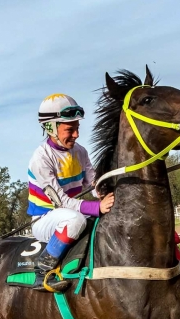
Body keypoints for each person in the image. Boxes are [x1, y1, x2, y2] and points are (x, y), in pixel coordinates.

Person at [28, 93, 115, 292]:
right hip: (46, 219)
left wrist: (106, 192)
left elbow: (94, 184)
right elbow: (60, 203)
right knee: (75, 220)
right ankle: (42, 272)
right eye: (70, 129)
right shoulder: (40, 159)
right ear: (51, 127)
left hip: (72, 212)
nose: (76, 134)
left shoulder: (81, 152)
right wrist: (98, 207)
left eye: (77, 128)